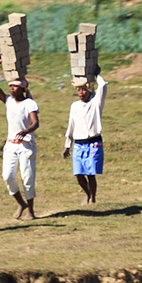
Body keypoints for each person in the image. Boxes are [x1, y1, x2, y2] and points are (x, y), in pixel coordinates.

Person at [0, 53, 39, 220]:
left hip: (26, 145)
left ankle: (30, 210)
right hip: (11, 145)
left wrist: (27, 130)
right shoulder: (8, 101)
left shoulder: (29, 103)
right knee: (8, 176)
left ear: (23, 89)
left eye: (15, 87)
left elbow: (35, 123)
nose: (11, 89)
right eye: (10, 86)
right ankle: (21, 203)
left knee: (27, 178)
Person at [62, 72, 107, 205]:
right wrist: (67, 145)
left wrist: (95, 73)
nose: (81, 93)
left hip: (93, 143)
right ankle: (87, 194)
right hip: (78, 144)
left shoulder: (95, 103)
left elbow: (103, 86)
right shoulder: (74, 106)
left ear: (89, 90)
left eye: (84, 90)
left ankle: (92, 197)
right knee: (78, 174)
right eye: (79, 90)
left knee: (90, 174)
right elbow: (71, 126)